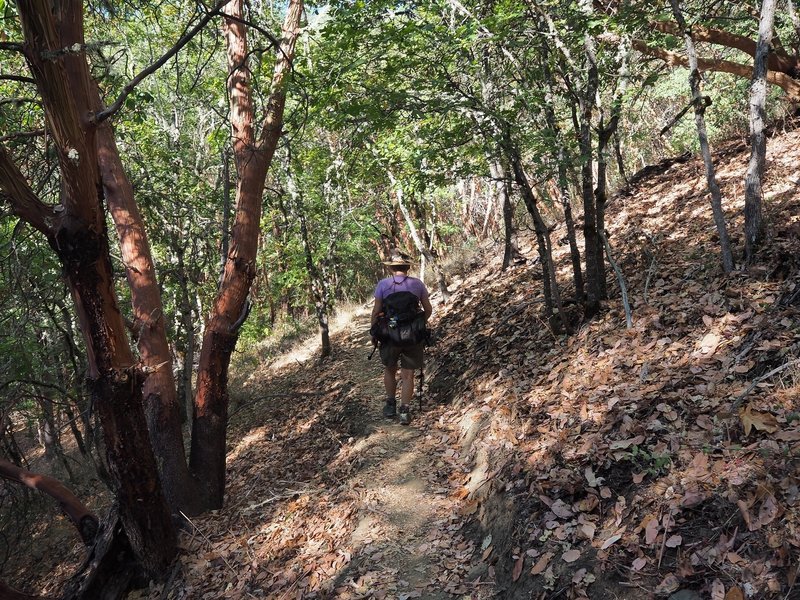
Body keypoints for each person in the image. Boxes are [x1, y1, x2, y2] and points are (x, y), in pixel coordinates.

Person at [371, 249, 432, 425]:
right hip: (412, 336)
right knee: (408, 374)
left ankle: (390, 405)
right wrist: (418, 323)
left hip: (390, 335)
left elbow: (376, 311)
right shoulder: (418, 284)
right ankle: (405, 411)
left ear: (391, 269)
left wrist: (374, 331)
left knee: (390, 369)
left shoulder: (383, 285)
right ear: (407, 267)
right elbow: (428, 309)